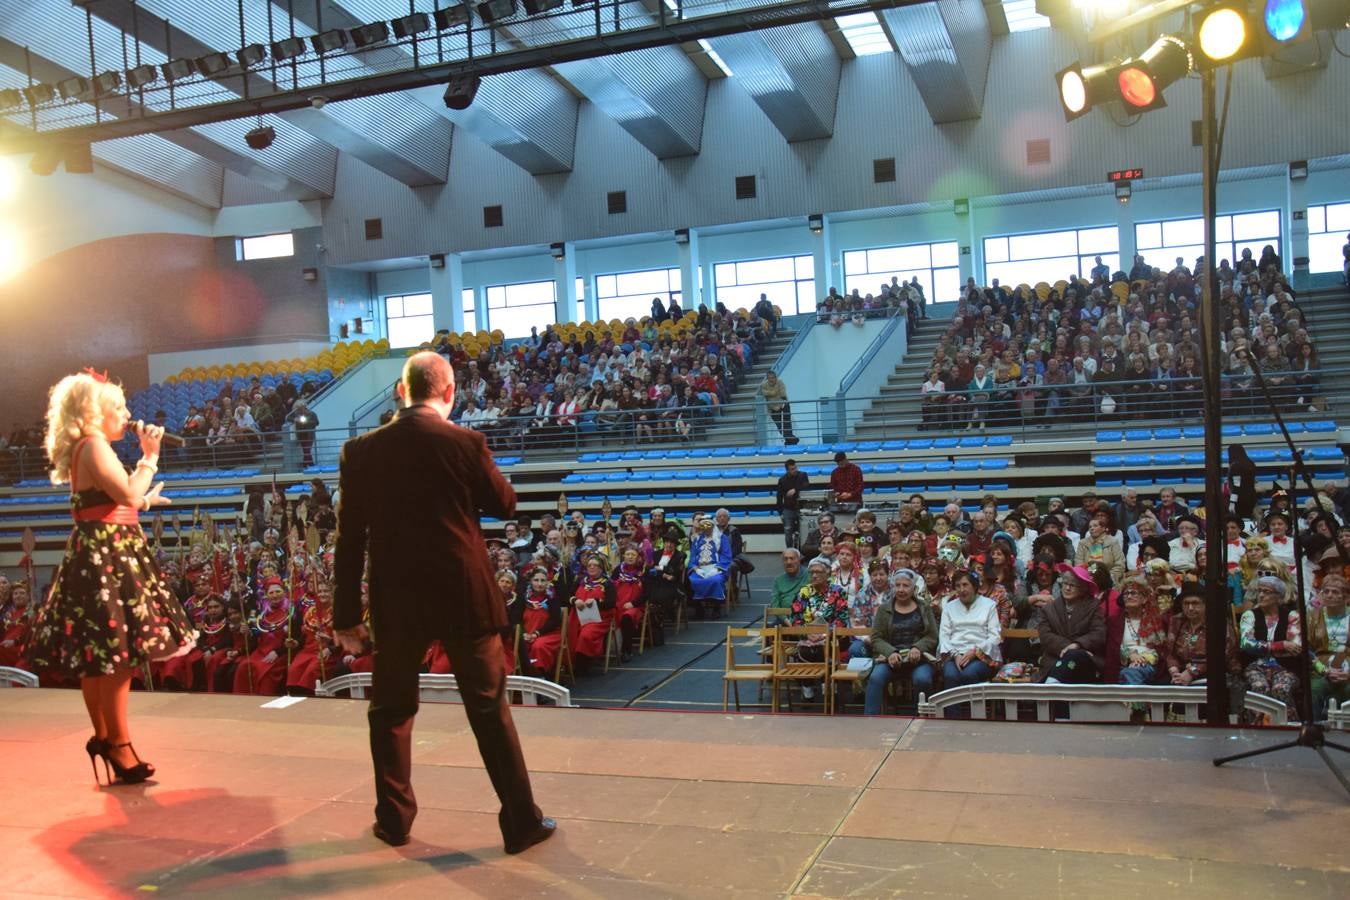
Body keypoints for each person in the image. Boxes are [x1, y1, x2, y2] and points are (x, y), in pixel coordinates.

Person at [333, 351, 553, 852]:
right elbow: (505, 504)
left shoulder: (360, 451)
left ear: (399, 391)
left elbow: (348, 542)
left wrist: (345, 617)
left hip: (397, 600)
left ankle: (394, 821)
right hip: (464, 596)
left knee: (390, 713)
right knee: (489, 711)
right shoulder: (465, 442)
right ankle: (521, 823)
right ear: (450, 393)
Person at [24, 370, 191, 785]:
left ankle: (105, 737)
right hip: (107, 557)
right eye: (118, 407)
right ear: (92, 412)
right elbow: (128, 494)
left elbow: (111, 503)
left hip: (98, 551)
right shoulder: (95, 445)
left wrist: (144, 502)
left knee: (99, 657)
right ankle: (118, 742)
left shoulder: (87, 447)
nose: (128, 414)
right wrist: (149, 456)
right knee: (117, 656)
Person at [863, 568, 937, 715]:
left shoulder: (924, 608)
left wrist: (918, 648)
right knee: (876, 678)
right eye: (897, 585)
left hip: (918, 660)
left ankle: (922, 718)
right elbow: (876, 638)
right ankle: (869, 721)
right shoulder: (884, 609)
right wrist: (890, 652)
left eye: (905, 585)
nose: (901, 589)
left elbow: (932, 636)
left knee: (923, 679)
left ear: (914, 588)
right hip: (890, 660)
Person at [1238, 574, 1303, 718]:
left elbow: (1296, 648)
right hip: (1255, 666)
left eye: (1266, 592)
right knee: (1259, 687)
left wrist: (1262, 647)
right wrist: (1282, 645)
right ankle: (1255, 730)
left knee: (1281, 688)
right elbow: (1246, 644)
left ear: (1279, 597)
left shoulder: (1292, 616)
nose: (1261, 595)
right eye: (1259, 591)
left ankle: (1289, 727)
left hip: (1286, 666)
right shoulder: (1249, 615)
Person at [1038, 564, 1106, 684]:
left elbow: (1099, 633)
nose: (1067, 588)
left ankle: (1051, 686)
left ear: (1083, 588)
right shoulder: (1049, 609)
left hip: (1084, 664)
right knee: (1074, 655)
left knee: (1077, 657)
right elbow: (1045, 636)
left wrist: (1078, 645)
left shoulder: (1093, 606)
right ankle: (1053, 685)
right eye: (1065, 583)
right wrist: (1073, 649)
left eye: (1072, 585)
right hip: (1055, 660)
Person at [937, 570, 1001, 695]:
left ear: (975, 586)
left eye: (965, 585)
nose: (961, 589)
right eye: (958, 586)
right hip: (954, 654)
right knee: (950, 675)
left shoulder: (989, 605)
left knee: (969, 674)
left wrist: (974, 652)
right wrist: (955, 655)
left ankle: (975, 714)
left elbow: (995, 636)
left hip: (981, 656)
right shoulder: (949, 607)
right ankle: (952, 715)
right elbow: (944, 636)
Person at [1308, 574, 1349, 719]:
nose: (1330, 595)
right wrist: (1324, 670)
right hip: (1320, 669)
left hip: (1348, 670)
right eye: (1326, 591)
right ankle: (1314, 731)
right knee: (1315, 688)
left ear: (1346, 597)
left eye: (1335, 592)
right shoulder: (1312, 617)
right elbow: (1306, 650)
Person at [775, 459, 810, 550]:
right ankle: (790, 551)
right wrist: (780, 513)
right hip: (788, 509)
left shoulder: (803, 475)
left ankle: (802, 551)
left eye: (795, 468)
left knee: (803, 532)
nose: (795, 470)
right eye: (792, 469)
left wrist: (795, 489)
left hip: (802, 508)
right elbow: (779, 497)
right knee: (788, 533)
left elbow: (807, 485)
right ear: (787, 470)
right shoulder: (782, 480)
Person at [770, 548, 808, 625]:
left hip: (806, 618)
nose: (789, 562)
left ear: (799, 560)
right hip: (784, 620)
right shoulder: (778, 580)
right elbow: (774, 605)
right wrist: (785, 620)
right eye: (785, 559)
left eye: (792, 558)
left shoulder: (809, 575)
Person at [759, 371, 798, 445]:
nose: (772, 379)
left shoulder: (780, 382)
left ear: (775, 377)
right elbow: (764, 394)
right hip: (772, 408)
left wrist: (779, 405)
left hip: (783, 405)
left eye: (773, 378)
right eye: (770, 378)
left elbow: (783, 395)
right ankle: (793, 440)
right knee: (779, 426)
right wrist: (773, 393)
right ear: (767, 378)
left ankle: (790, 442)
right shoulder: (764, 385)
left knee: (787, 425)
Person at [1227, 443, 1257, 522]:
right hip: (1251, 496)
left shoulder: (1235, 466)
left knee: (1240, 521)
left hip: (1240, 499)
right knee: (1248, 519)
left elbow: (1237, 486)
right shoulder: (1251, 464)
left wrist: (1232, 502)